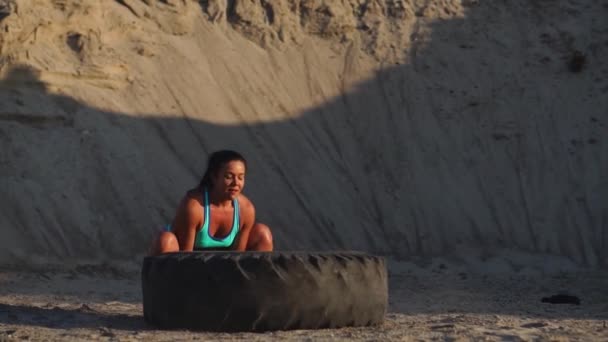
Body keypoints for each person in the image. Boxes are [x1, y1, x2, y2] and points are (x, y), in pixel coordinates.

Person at [150, 150, 273, 255]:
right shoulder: (194, 207)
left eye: (241, 177)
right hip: (181, 262)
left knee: (263, 233)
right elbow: (184, 258)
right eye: (229, 176)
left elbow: (238, 258)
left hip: (219, 266)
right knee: (165, 240)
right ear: (214, 177)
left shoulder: (246, 209)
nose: (236, 183)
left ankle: (260, 283)